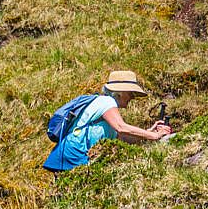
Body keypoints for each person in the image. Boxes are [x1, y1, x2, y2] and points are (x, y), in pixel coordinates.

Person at [42, 70, 172, 172]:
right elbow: (121, 127)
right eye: (131, 93)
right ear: (120, 92)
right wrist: (155, 136)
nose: (132, 97)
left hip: (68, 154)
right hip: (75, 155)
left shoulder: (104, 108)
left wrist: (148, 133)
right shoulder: (106, 102)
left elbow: (123, 137)